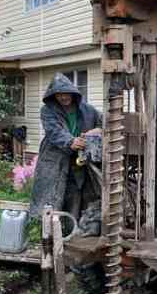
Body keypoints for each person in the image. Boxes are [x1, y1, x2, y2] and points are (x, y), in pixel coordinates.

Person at [30, 74, 103, 222]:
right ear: (53, 96)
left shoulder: (87, 110)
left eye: (66, 93)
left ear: (73, 92)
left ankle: (73, 231)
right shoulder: (48, 110)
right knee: (51, 198)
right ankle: (49, 235)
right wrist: (70, 141)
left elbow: (105, 122)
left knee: (78, 194)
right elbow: (54, 131)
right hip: (55, 160)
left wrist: (97, 130)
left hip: (80, 161)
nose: (63, 97)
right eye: (59, 94)